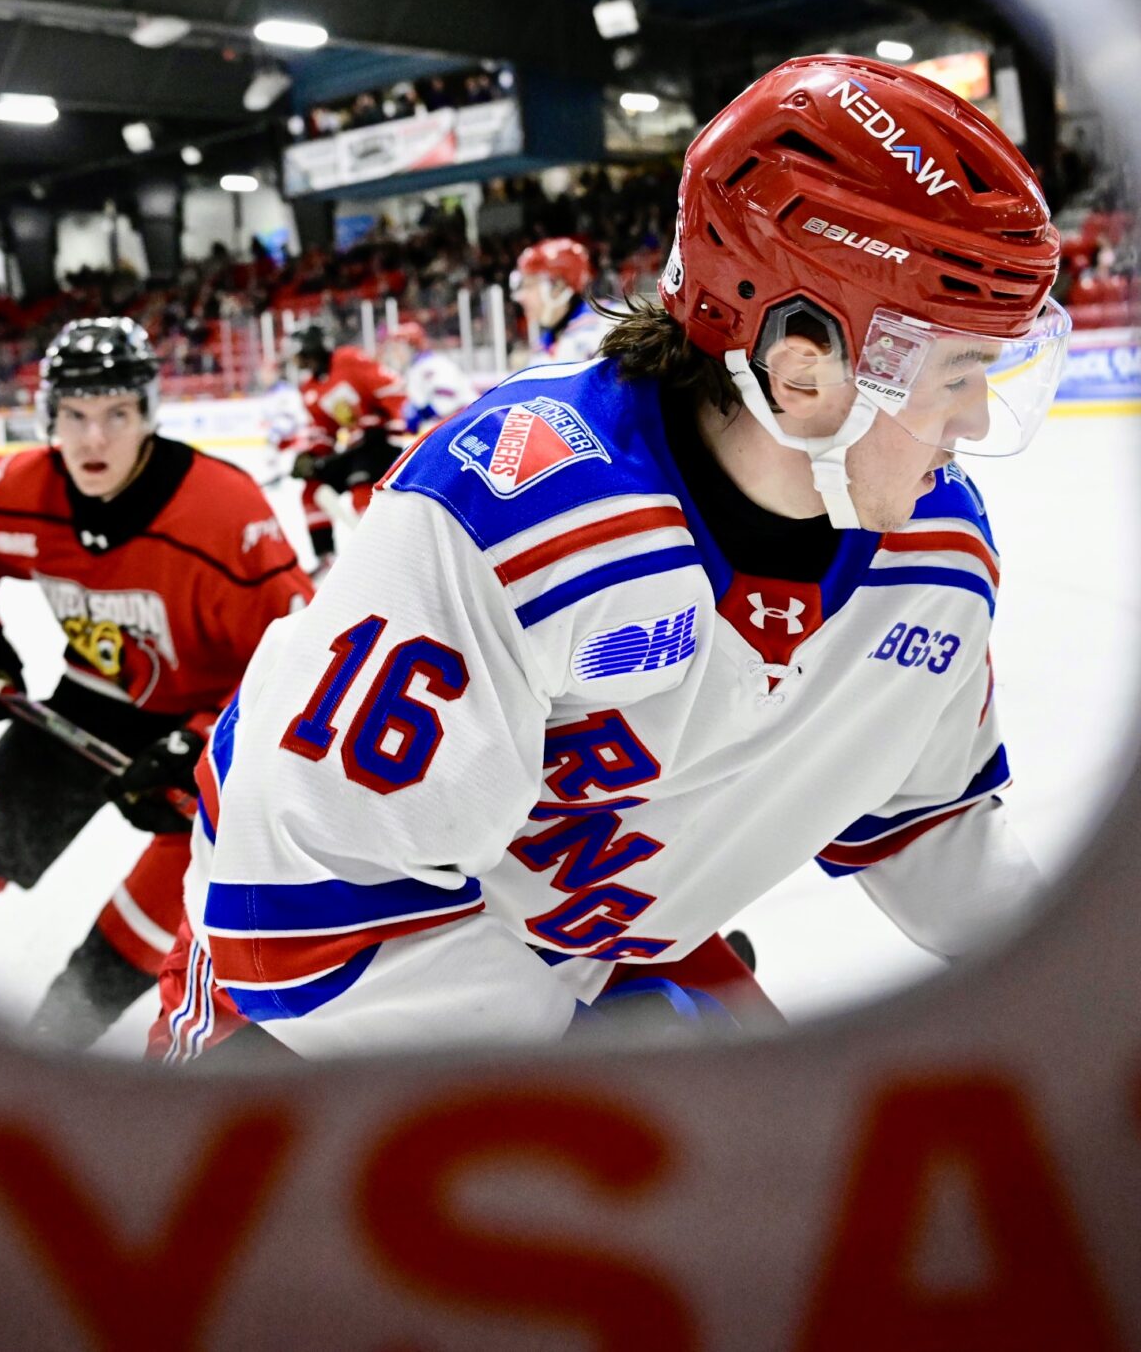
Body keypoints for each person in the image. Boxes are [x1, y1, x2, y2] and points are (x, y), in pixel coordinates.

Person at [154, 54, 1070, 1060]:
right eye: (958, 373)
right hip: (301, 1007)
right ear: (802, 370)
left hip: (594, 949)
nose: (976, 421)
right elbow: (298, 919)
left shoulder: (938, 554)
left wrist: (1091, 983)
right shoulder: (509, 519)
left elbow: (926, 817)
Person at [0, 318, 314, 1047]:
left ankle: (54, 1047)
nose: (93, 438)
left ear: (149, 414)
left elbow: (305, 659)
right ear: (49, 418)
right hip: (90, 703)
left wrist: (208, 742)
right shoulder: (17, 488)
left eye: (117, 414)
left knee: (145, 926)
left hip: (208, 733)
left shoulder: (225, 515)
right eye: (73, 415)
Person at [287, 324, 411, 559]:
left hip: (383, 442)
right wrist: (312, 456)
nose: (295, 360)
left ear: (311, 350)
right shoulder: (310, 389)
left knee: (361, 483)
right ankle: (326, 559)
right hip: (358, 448)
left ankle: (382, 553)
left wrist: (394, 427)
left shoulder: (348, 360)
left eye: (298, 353)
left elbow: (394, 390)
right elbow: (324, 431)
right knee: (312, 490)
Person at [511, 236, 613, 366]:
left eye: (529, 286)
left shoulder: (607, 326)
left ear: (558, 286)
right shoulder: (542, 346)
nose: (521, 297)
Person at [378, 321, 480, 435]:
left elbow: (445, 405)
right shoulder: (416, 368)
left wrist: (416, 418)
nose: (394, 353)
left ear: (410, 346)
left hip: (464, 427)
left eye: (397, 347)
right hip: (452, 426)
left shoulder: (433, 365)